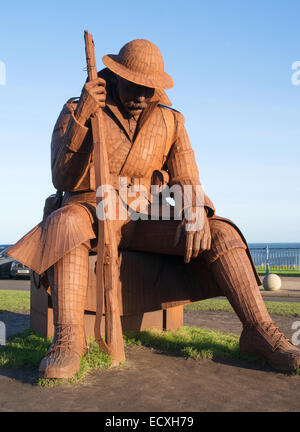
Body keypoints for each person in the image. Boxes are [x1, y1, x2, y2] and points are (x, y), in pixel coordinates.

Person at [8, 39, 300, 378]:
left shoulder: (171, 121)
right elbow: (61, 176)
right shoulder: (80, 107)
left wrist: (195, 209)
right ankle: (69, 340)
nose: (142, 97)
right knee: (65, 224)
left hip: (148, 213)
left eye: (150, 89)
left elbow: (187, 177)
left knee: (220, 232)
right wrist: (83, 118)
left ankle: (258, 330)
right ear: (115, 75)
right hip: (91, 207)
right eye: (135, 86)